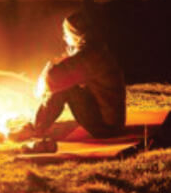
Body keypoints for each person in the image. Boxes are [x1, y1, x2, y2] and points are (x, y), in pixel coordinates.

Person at [9, 9, 126, 144]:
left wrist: (42, 82)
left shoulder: (88, 56)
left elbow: (53, 78)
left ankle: (34, 128)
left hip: (107, 127)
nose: (64, 38)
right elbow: (67, 66)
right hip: (112, 122)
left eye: (66, 33)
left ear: (75, 34)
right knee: (66, 82)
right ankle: (35, 125)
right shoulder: (95, 49)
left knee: (65, 87)